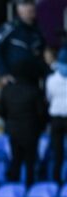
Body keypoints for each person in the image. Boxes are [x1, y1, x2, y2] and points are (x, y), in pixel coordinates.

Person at [0, 74, 47, 186]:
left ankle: (14, 189)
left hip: (14, 131)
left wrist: (10, 120)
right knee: (30, 163)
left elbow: (0, 110)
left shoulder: (7, 90)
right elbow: (42, 113)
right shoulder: (34, 90)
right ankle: (29, 188)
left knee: (15, 161)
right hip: (31, 130)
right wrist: (40, 126)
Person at [0, 0, 48, 86]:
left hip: (34, 80)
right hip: (15, 80)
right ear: (19, 9)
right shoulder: (9, 28)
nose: (31, 7)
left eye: (32, 4)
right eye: (26, 5)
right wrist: (3, 73)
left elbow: (43, 53)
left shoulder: (38, 30)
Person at [46, 46, 67, 183]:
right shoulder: (51, 79)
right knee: (58, 152)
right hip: (58, 119)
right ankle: (57, 180)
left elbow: (49, 97)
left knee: (58, 152)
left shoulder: (51, 79)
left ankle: (57, 179)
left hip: (57, 119)